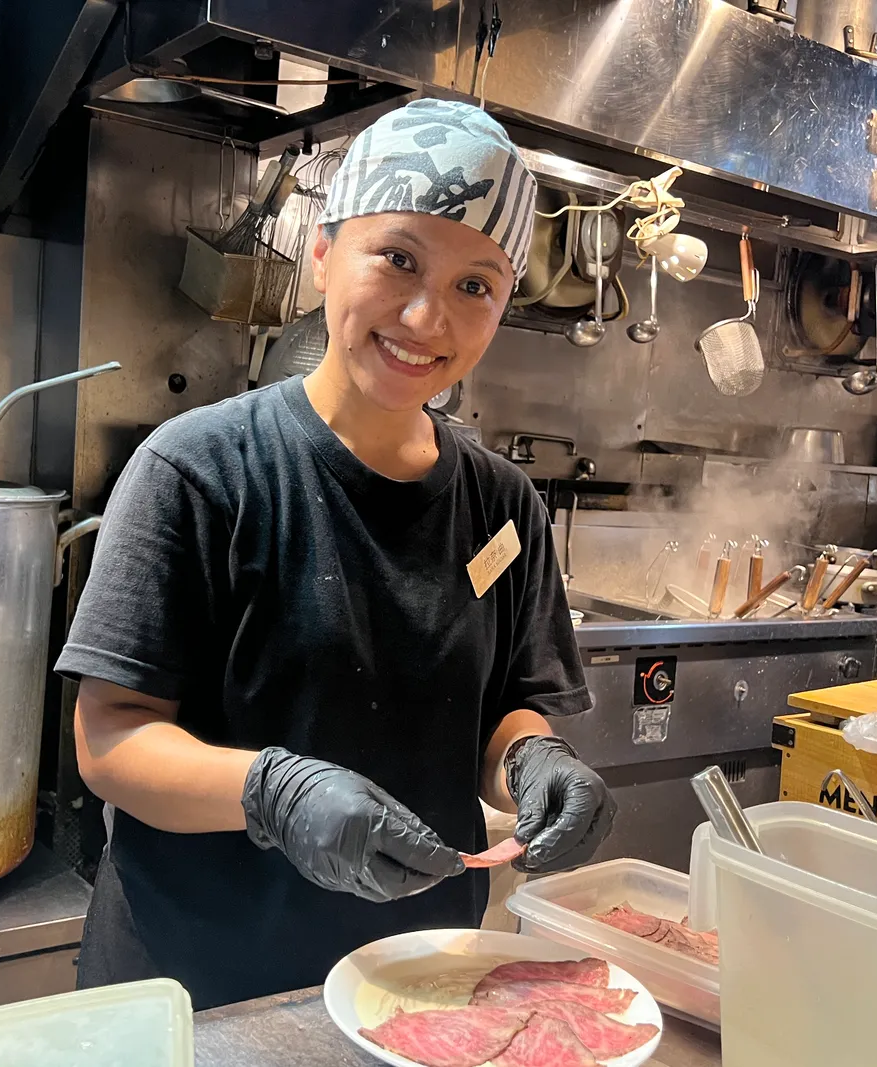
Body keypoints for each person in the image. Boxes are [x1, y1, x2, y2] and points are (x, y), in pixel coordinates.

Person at [54, 99, 614, 1008]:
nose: (428, 316)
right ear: (323, 254)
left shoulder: (503, 505)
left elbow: (505, 709)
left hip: (415, 982)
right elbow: (110, 740)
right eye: (397, 259)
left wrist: (532, 764)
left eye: (478, 284)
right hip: (197, 986)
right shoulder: (197, 469)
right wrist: (270, 791)